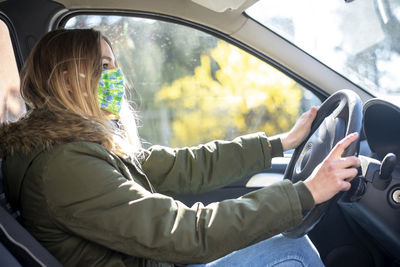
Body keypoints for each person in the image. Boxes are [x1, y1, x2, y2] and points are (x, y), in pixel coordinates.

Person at [0, 29, 360, 267]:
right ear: (65, 80)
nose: (116, 76)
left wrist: (280, 143)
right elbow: (187, 232)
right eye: (103, 65)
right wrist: (305, 193)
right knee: (292, 251)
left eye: (115, 65)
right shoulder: (65, 165)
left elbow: (183, 165)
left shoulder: (80, 147)